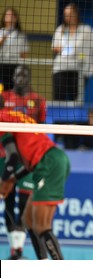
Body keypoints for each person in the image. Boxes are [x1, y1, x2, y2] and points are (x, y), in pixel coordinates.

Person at [0, 95, 70, 260]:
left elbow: (12, 158)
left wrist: (4, 180)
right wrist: (12, 179)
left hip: (48, 162)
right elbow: (24, 162)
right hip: (46, 162)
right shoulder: (13, 116)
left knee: (42, 225)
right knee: (28, 219)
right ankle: (42, 263)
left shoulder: (2, 119)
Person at [0, 64, 46, 259]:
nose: (20, 77)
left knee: (25, 203)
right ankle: (15, 250)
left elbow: (40, 128)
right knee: (8, 202)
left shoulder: (38, 100)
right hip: (5, 154)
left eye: (24, 74)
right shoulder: (4, 97)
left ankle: (24, 248)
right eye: (17, 74)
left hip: (26, 156)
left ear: (29, 78)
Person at [52, 2, 93, 101]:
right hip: (61, 67)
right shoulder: (60, 30)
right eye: (66, 15)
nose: (68, 17)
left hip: (79, 69)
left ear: (76, 14)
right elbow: (54, 47)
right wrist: (64, 49)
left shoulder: (87, 30)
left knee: (76, 99)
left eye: (70, 14)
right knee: (58, 98)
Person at [0, 7, 29, 91]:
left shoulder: (21, 35)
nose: (10, 17)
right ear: (4, 18)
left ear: (16, 19)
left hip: (15, 65)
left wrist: (22, 66)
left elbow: (24, 53)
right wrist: (3, 39)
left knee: (15, 88)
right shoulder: (1, 32)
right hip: (2, 63)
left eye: (12, 15)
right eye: (8, 15)